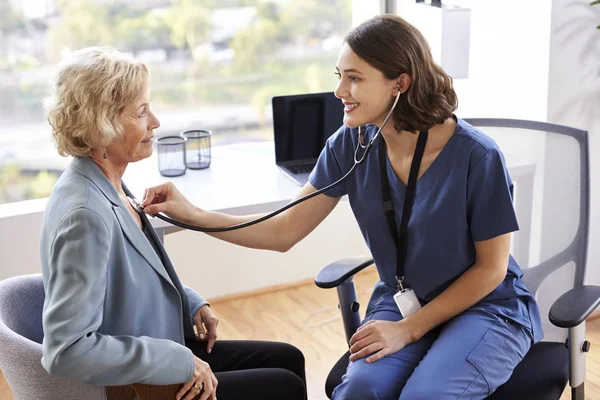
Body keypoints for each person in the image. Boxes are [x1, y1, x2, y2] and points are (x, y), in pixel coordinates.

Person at [141, 15, 543, 400]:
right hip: (405, 298)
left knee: (427, 395)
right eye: (340, 76)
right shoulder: (350, 145)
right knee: (360, 390)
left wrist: (409, 330)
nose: (339, 92)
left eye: (354, 79)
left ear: (399, 84)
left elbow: (490, 271)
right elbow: (283, 231)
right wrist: (191, 214)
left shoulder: (477, 156)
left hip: (486, 308)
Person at [40, 46, 306, 400]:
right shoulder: (85, 215)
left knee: (289, 359)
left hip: (164, 345)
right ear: (101, 125)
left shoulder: (109, 183)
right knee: (283, 386)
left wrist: (189, 301)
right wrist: (181, 360)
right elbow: (65, 350)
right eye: (141, 112)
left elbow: (132, 279)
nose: (155, 122)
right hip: (142, 383)